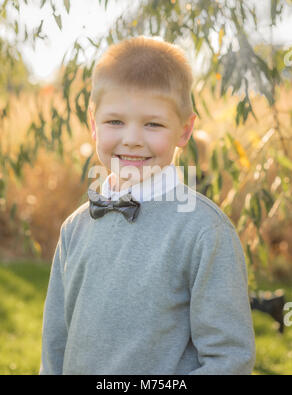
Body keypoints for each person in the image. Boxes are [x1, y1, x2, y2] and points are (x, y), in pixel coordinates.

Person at [39, 36, 256, 375]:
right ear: (94, 125)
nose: (133, 138)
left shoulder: (203, 231)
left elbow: (230, 359)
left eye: (153, 124)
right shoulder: (75, 228)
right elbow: (55, 344)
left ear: (184, 131)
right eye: (115, 122)